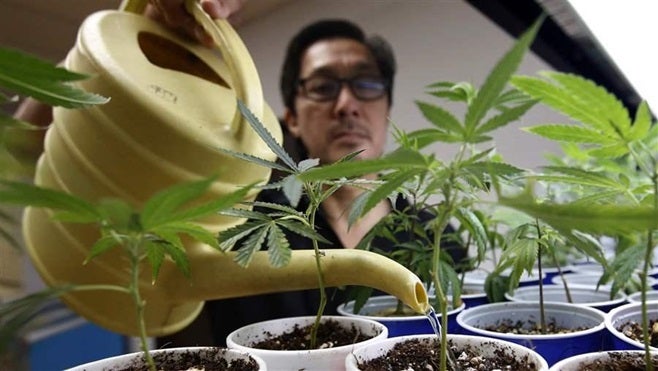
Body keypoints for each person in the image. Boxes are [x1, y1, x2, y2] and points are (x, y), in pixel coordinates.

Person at [14, 0, 466, 347]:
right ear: (290, 116)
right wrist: (116, 54)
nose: (346, 104)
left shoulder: (435, 234)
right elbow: (24, 140)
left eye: (366, 85)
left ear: (386, 110)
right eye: (323, 86)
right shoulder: (237, 199)